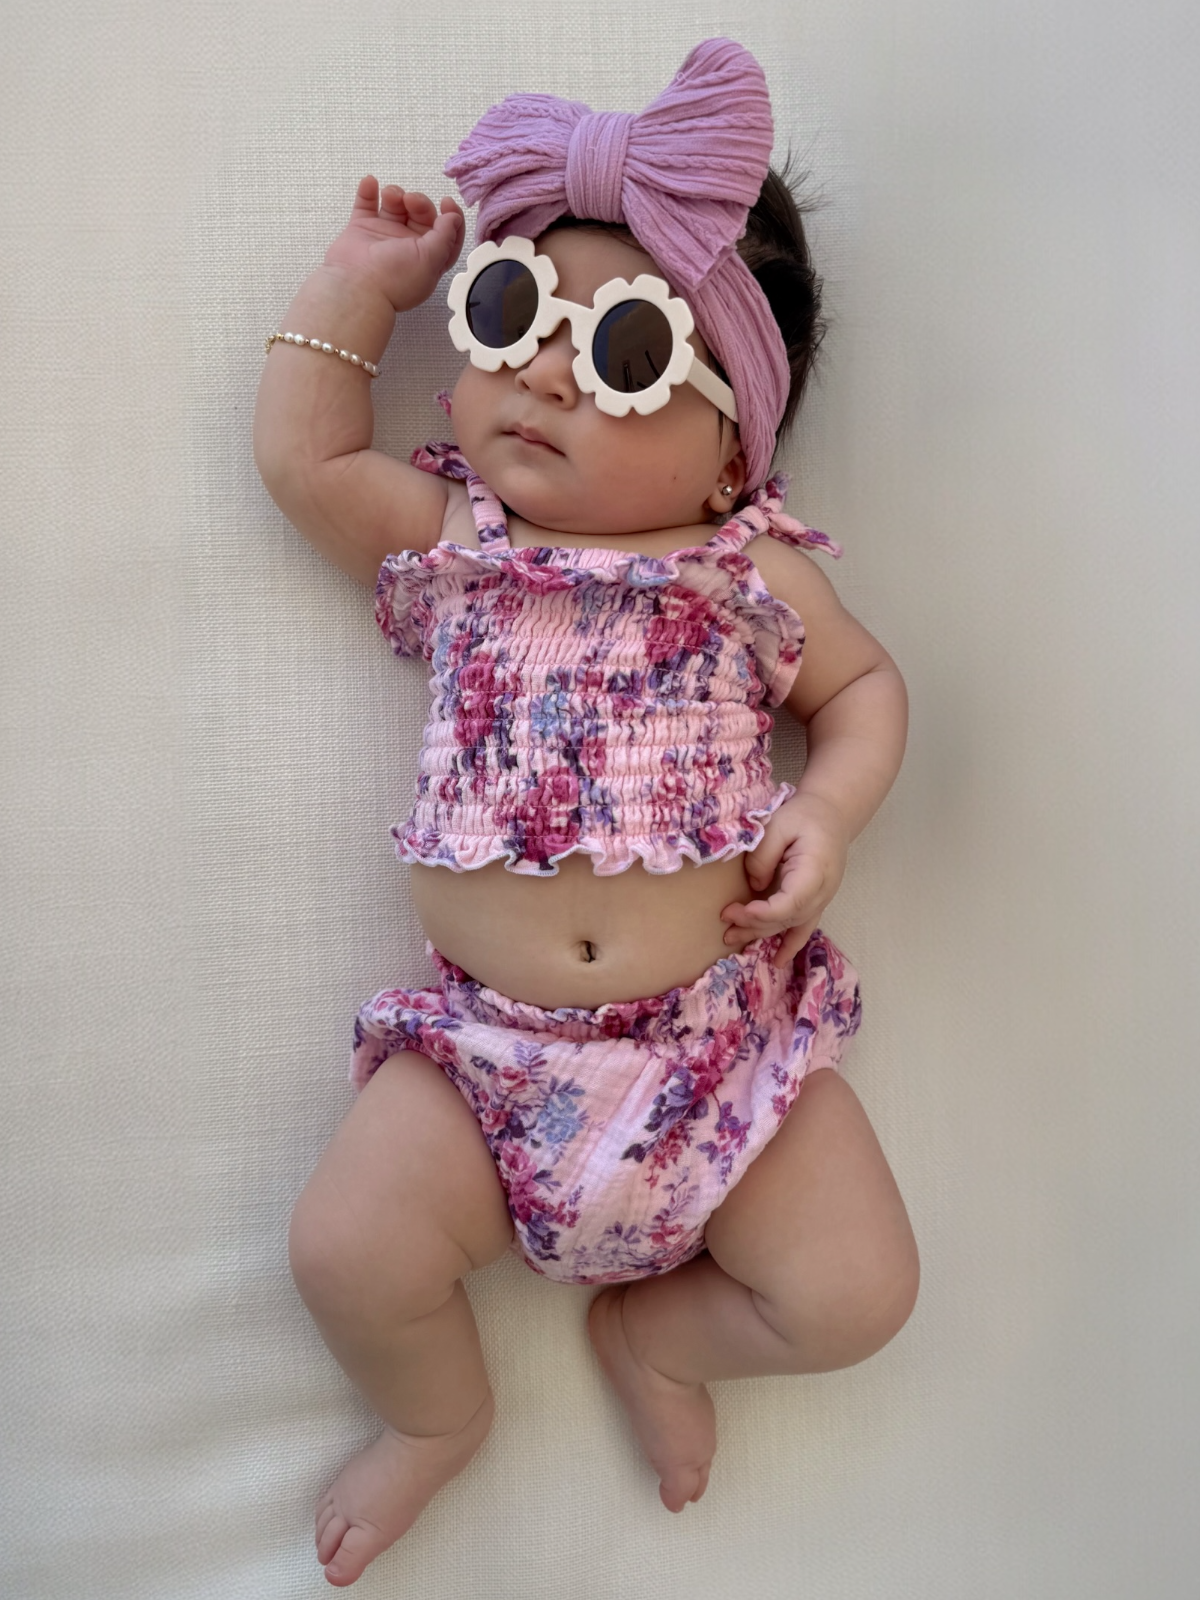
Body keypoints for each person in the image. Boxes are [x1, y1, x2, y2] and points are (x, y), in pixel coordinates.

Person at [253, 37, 919, 1590]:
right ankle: (434, 1421)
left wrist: (829, 813)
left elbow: (868, 692)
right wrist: (367, 284)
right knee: (344, 1250)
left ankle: (664, 1338)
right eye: (511, 317)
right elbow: (303, 457)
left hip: (716, 1056)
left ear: (736, 440)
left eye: (622, 352)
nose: (544, 371)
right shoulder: (456, 540)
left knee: (859, 1294)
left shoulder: (752, 572)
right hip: (485, 1065)